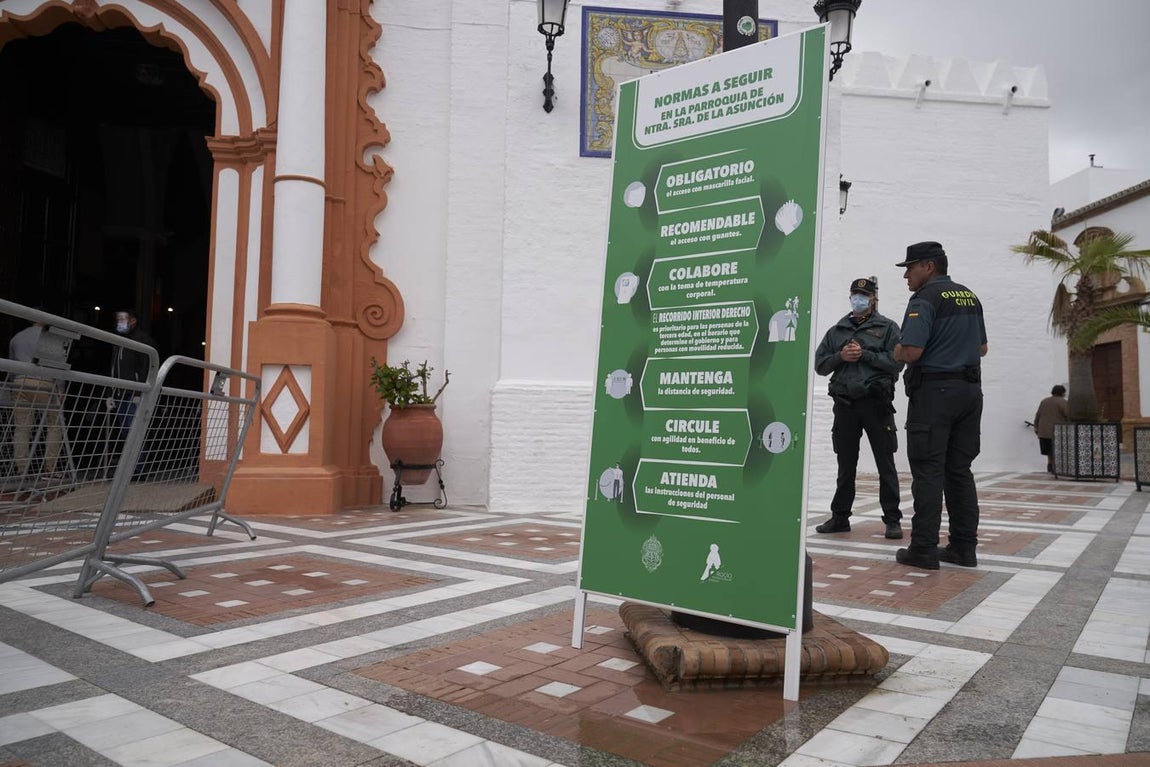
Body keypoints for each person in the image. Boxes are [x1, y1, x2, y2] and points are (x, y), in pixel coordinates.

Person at [893, 242, 988, 570]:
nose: (906, 274)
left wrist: (896, 351)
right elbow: (983, 347)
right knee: (959, 470)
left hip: (935, 394)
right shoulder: (969, 296)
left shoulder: (925, 299)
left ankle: (923, 549)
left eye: (910, 267)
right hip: (970, 392)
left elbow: (913, 351)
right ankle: (964, 548)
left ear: (929, 266)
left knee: (928, 470)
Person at [812, 277, 904, 539]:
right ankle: (840, 517)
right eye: (855, 294)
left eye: (864, 295)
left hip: (876, 404)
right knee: (845, 463)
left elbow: (897, 363)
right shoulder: (837, 330)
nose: (859, 299)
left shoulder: (887, 328)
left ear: (874, 298)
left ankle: (892, 519)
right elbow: (820, 365)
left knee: (885, 463)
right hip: (845, 405)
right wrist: (840, 357)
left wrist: (866, 355)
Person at [8, 316, 63, 478]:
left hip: (19, 382)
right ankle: (50, 467)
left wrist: (14, 382)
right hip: (44, 382)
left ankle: (21, 467)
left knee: (22, 427)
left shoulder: (16, 337)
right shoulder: (49, 338)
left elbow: (10, 365)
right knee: (54, 424)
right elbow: (57, 365)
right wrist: (60, 387)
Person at [1033, 385, 1069, 473]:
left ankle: (1050, 465)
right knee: (1057, 450)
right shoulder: (1063, 402)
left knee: (1049, 451)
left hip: (1044, 431)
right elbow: (1068, 415)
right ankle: (1055, 468)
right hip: (1057, 431)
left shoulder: (1044, 401)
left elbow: (1038, 415)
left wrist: (1036, 427)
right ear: (1063, 393)